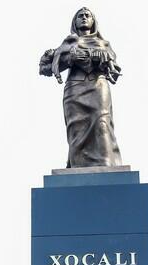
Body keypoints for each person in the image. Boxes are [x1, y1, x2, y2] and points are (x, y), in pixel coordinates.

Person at [39, 7, 123, 168]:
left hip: (98, 86)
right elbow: (46, 68)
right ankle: (78, 166)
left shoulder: (103, 44)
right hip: (74, 90)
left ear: (93, 21)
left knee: (102, 122)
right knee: (76, 130)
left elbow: (114, 72)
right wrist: (70, 58)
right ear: (75, 22)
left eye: (87, 15)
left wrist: (102, 59)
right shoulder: (68, 43)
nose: (84, 18)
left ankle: (106, 164)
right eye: (80, 16)